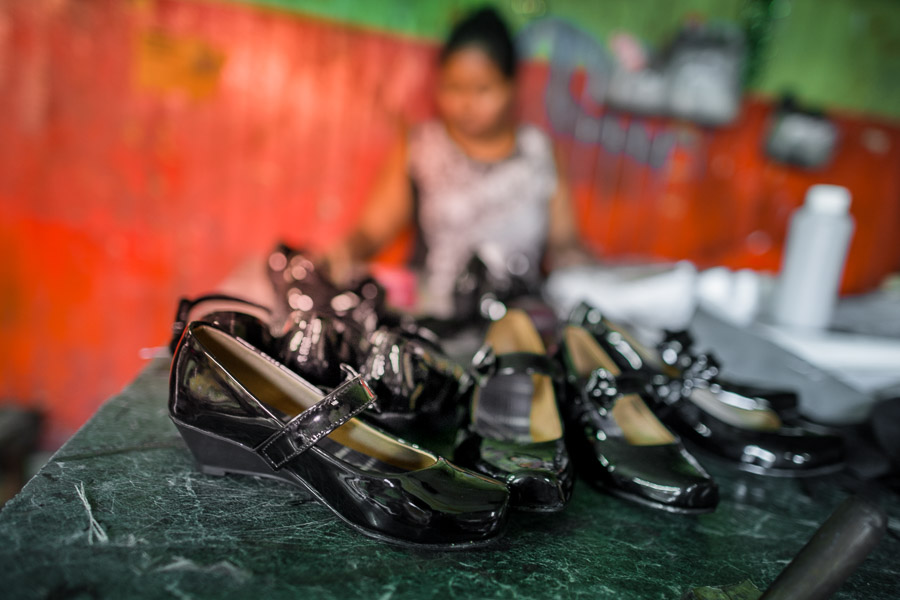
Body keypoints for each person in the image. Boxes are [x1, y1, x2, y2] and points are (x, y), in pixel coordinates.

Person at [324, 7, 589, 318]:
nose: (466, 104)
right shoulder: (422, 146)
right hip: (429, 318)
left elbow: (564, 242)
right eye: (454, 87)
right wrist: (341, 255)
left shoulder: (540, 153)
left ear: (511, 87)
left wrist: (587, 272)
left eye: (482, 89)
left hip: (516, 328)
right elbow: (372, 231)